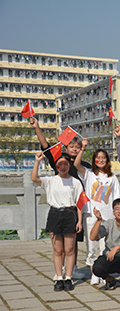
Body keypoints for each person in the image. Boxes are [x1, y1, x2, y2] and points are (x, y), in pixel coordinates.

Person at [31, 116, 88, 280]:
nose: (75, 149)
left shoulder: (83, 165)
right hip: (58, 209)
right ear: (66, 147)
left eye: (78, 147)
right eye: (72, 146)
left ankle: (73, 268)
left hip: (75, 206)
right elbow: (46, 146)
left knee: (73, 242)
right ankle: (61, 270)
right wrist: (37, 127)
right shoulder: (60, 160)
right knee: (59, 245)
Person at [31, 152, 83, 291]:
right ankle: (59, 278)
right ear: (56, 166)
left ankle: (69, 277)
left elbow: (80, 203)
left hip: (70, 214)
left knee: (69, 250)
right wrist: (37, 161)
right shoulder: (51, 180)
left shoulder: (75, 182)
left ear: (69, 165)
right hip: (55, 214)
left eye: (65, 164)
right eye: (60, 164)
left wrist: (80, 221)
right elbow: (34, 178)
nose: (63, 167)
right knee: (57, 250)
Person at [74, 138, 120, 285]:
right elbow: (76, 164)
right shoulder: (89, 174)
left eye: (103, 158)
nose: (101, 160)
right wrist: (83, 148)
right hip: (91, 215)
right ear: (94, 160)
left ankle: (103, 272)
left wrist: (117, 214)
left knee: (104, 246)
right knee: (92, 245)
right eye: (98, 158)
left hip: (107, 215)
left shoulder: (112, 177)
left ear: (107, 160)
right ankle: (94, 272)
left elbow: (117, 197)